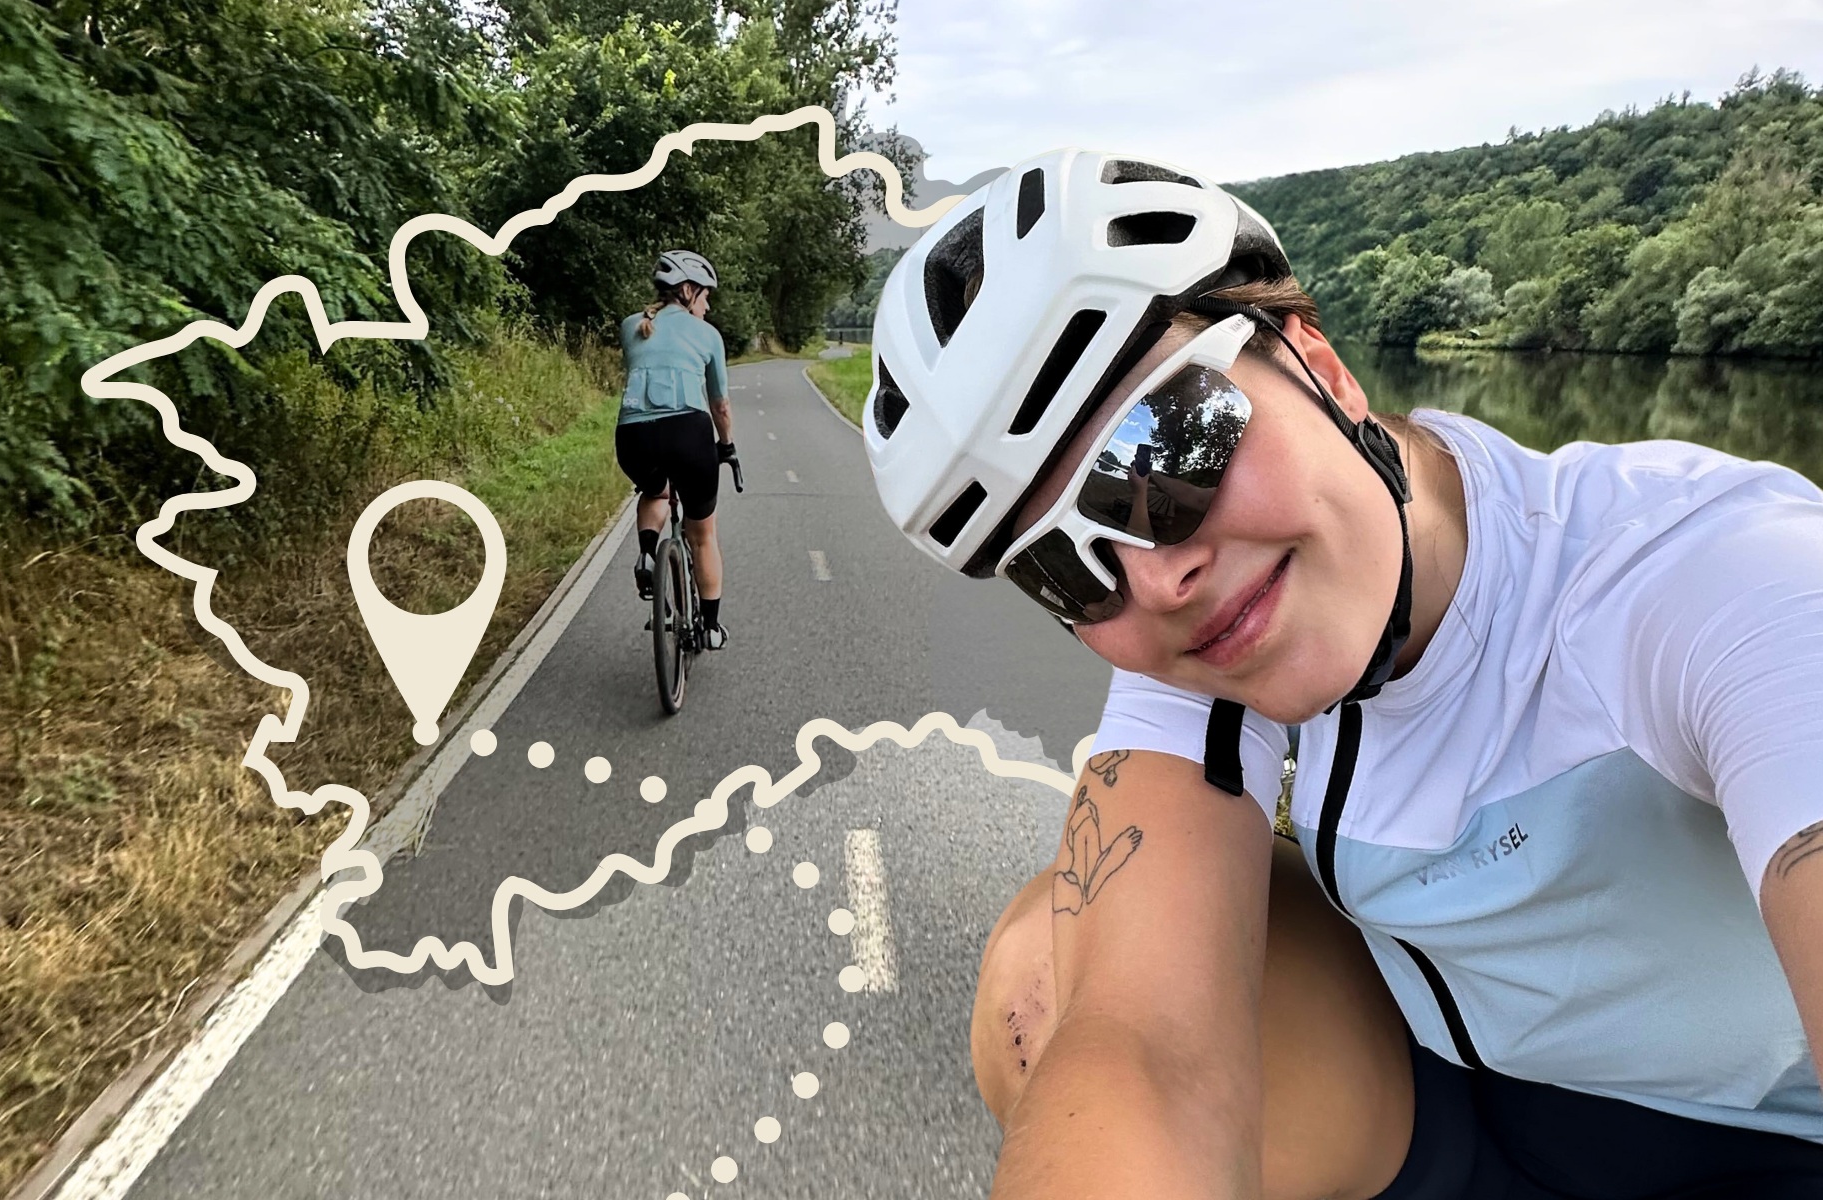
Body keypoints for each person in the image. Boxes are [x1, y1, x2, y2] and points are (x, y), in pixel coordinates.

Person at [866, 149, 1823, 1199]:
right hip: (1461, 1112)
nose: (1158, 577)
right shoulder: (1205, 642)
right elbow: (1144, 1047)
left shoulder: (1706, 573)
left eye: (1171, 451)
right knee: (1047, 978)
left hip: (1766, 1150)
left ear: (1318, 367)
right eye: (1065, 570)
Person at [616, 250, 738, 649]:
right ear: (687, 290)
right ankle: (712, 628)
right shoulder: (708, 335)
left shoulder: (631, 325)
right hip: (688, 432)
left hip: (633, 436)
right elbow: (720, 405)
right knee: (703, 534)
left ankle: (648, 554)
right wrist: (727, 446)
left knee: (656, 492)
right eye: (705, 295)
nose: (708, 305)